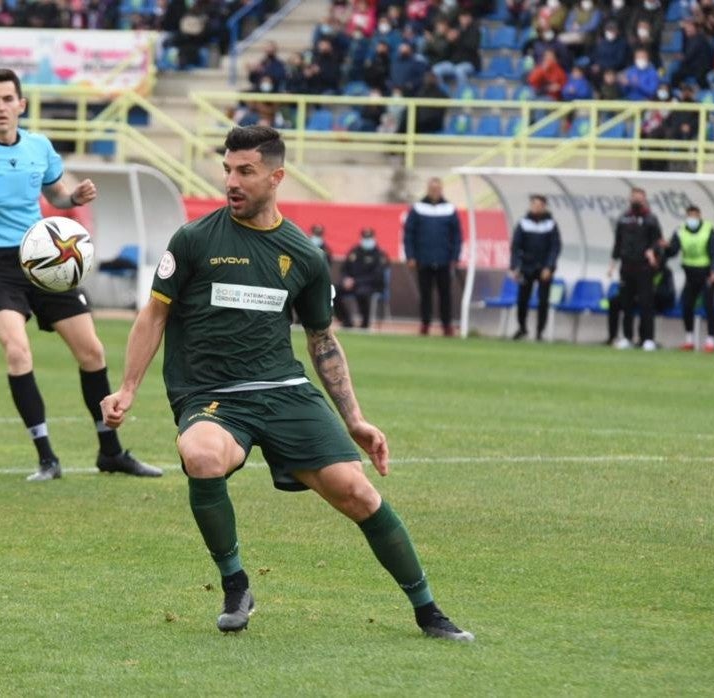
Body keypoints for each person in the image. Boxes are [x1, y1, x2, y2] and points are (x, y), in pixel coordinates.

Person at [100, 125, 473, 641]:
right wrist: (128, 388)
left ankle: (428, 611)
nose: (232, 181)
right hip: (212, 397)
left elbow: (322, 340)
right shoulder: (192, 240)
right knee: (203, 455)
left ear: (276, 177)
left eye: (245, 171)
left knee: (358, 494)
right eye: (227, 169)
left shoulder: (304, 255)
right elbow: (154, 316)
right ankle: (236, 585)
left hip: (283, 391)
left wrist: (355, 418)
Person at [0, 68, 160, 482]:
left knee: (92, 352)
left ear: (21, 104)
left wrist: (72, 198)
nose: (1, 107)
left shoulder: (40, 147)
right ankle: (47, 458)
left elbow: (56, 194)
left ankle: (110, 453)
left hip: (43, 259)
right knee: (18, 351)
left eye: (9, 99)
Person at [403, 177, 462, 336]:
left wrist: (455, 257)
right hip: (423, 259)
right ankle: (425, 323)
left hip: (444, 260)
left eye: (437, 189)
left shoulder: (449, 209)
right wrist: (410, 256)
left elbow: (457, 236)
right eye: (432, 189)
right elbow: (409, 234)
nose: (434, 192)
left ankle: (447, 325)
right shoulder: (417, 208)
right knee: (425, 294)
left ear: (441, 190)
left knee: (445, 294)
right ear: (427, 190)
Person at [607, 187, 662, 351]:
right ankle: (627, 337)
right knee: (626, 304)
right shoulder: (624, 219)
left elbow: (657, 241)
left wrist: (653, 252)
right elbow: (618, 243)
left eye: (639, 197)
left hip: (644, 268)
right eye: (634, 197)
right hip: (627, 267)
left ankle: (648, 339)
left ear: (644, 199)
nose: (636, 200)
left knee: (646, 304)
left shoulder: (651, 219)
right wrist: (612, 265)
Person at [663, 204, 714, 352]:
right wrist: (666, 247)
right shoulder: (680, 230)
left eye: (695, 216)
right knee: (686, 304)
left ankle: (710, 341)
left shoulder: (709, 231)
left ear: (700, 216)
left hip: (707, 274)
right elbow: (673, 251)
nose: (692, 219)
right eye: (690, 216)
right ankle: (689, 339)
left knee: (709, 305)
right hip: (690, 274)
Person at [509, 194, 562, 341]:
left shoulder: (551, 224)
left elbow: (555, 247)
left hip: (544, 268)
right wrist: (515, 267)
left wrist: (549, 267)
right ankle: (522, 328)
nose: (536, 207)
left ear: (544, 207)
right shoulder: (523, 223)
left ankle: (540, 332)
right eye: (534, 204)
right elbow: (515, 246)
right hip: (527, 267)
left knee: (543, 301)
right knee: (522, 300)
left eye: (539, 205)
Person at [338, 227, 389, 329]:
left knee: (362, 292)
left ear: (374, 238)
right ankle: (346, 321)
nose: (367, 241)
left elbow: (377, 276)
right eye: (365, 238)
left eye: (369, 238)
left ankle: (365, 323)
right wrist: (346, 279)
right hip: (352, 284)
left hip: (371, 285)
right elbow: (344, 269)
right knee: (333, 291)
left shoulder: (379, 254)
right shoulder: (355, 251)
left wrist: (356, 281)